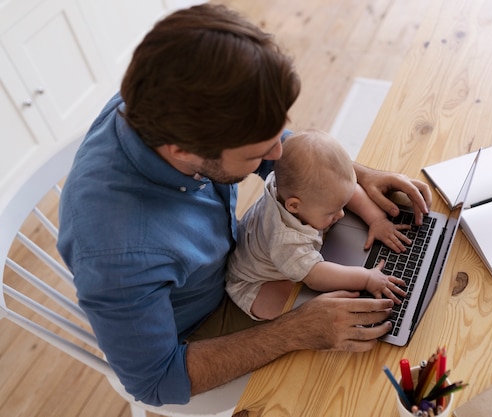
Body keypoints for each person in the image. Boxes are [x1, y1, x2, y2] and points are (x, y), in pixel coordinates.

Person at [57, 3, 432, 407]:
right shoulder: (117, 255)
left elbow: (279, 147)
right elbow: (155, 380)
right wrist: (295, 330)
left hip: (241, 257)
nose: (278, 150)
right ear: (183, 150)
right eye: (258, 151)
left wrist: (358, 175)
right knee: (359, 384)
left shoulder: (168, 96)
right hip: (201, 329)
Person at [226, 129, 412, 320]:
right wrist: (366, 278)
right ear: (294, 206)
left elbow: (349, 191)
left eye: (341, 206)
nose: (341, 214)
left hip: (266, 247)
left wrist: (377, 219)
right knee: (303, 311)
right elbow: (316, 276)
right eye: (332, 212)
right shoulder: (286, 240)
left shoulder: (293, 187)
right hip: (253, 281)